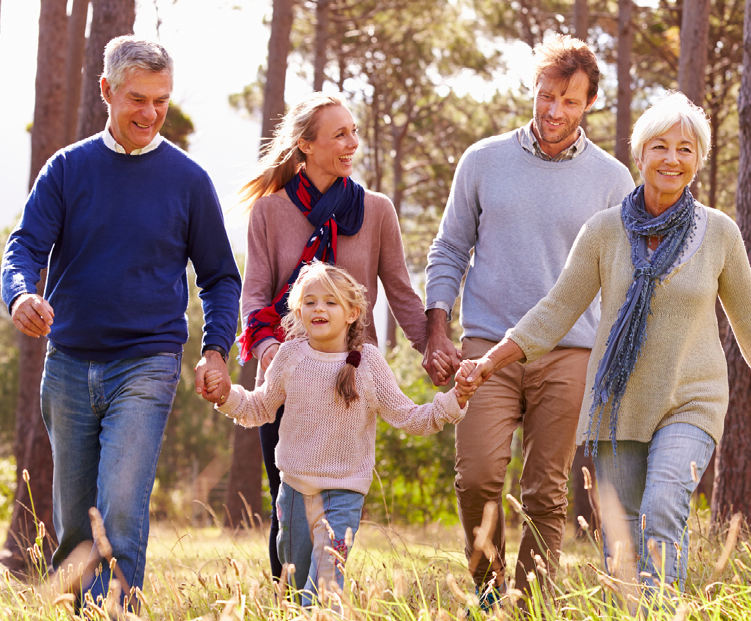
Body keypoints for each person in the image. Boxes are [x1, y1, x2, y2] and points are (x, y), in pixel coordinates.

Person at [458, 92, 751, 592]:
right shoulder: (604, 232)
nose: (672, 159)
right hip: (619, 404)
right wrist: (489, 360)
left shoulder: (718, 232)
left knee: (663, 505)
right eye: (660, 146)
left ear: (699, 160)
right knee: (622, 537)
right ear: (640, 154)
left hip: (691, 399)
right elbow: (557, 309)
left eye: (685, 149)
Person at [0, 36, 241, 606]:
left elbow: (220, 277)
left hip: (148, 362)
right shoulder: (67, 169)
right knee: (78, 523)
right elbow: (24, 248)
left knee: (122, 509)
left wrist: (214, 350)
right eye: (138, 98)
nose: (151, 113)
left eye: (161, 101)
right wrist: (18, 297)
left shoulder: (188, 181)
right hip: (69, 366)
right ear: (106, 91)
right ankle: (78, 609)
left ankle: (120, 613)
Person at [423, 33, 635, 601]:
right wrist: (436, 329)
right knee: (478, 476)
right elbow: (449, 248)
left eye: (569, 101)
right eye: (546, 96)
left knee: (545, 491)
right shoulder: (483, 160)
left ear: (589, 103)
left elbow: (623, 277)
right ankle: (488, 593)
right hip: (486, 347)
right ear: (533, 91)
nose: (553, 111)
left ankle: (529, 604)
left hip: (570, 352)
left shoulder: (613, 180)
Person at [237, 92, 436, 581]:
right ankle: (287, 602)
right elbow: (255, 296)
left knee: (340, 503)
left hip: (350, 377)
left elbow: (402, 293)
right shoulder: (269, 212)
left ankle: (324, 597)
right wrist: (270, 355)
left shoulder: (377, 210)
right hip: (289, 375)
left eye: (354, 131)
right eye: (340, 134)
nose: (353, 143)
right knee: (286, 501)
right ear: (305, 145)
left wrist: (432, 348)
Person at [207, 262, 471, 604]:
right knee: (299, 588)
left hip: (343, 496)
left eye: (331, 302)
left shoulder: (368, 364)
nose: (319, 308)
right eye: (310, 301)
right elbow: (260, 408)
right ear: (299, 311)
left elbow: (411, 418)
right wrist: (227, 396)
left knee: (326, 590)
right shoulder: (289, 357)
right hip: (295, 493)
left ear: (352, 313)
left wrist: (456, 399)